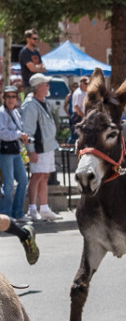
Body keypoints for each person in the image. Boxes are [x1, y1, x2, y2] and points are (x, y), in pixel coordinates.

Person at [20, 73, 62, 222]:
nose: (48, 86)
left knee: (44, 176)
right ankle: (32, 209)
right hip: (38, 148)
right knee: (37, 176)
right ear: (38, 87)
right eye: (45, 84)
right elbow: (28, 130)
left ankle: (44, 208)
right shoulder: (30, 104)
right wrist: (31, 151)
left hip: (48, 147)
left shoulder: (43, 101)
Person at [0, 86, 30, 222]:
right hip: (5, 152)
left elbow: (17, 131)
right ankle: (5, 214)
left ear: (17, 98)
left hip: (16, 151)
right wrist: (19, 134)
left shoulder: (16, 113)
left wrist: (23, 137)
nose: (11, 99)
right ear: (4, 98)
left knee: (23, 180)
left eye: (13, 96)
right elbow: (2, 133)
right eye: (8, 97)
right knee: (8, 183)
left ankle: (18, 212)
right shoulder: (1, 113)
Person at [69, 76, 89, 146]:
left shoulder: (85, 92)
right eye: (86, 84)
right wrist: (84, 116)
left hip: (82, 116)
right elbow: (76, 107)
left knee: (83, 135)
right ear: (81, 83)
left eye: (88, 84)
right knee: (77, 136)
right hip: (78, 116)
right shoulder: (78, 93)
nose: (87, 85)